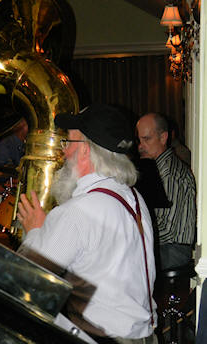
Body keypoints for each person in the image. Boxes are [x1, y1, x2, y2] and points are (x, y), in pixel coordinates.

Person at [16, 104, 158, 343]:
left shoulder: (78, 212)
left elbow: (28, 282)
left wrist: (35, 231)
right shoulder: (133, 197)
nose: (64, 153)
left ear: (85, 151)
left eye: (68, 143)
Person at [136, 113, 196, 271]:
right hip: (166, 247)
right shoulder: (154, 168)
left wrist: (134, 236)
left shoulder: (170, 173)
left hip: (174, 250)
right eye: (139, 140)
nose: (140, 146)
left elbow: (168, 231)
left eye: (146, 139)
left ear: (163, 138)